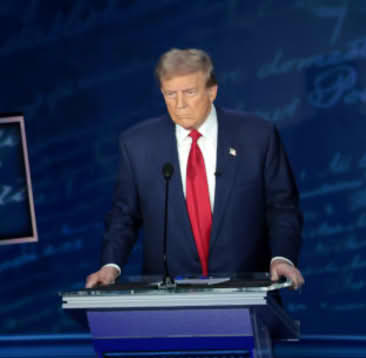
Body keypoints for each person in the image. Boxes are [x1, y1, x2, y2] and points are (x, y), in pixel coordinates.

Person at [85, 48, 304, 288]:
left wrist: (282, 257)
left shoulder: (257, 136)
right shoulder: (137, 145)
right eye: (170, 94)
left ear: (212, 91)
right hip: (168, 301)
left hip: (246, 291)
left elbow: (282, 207)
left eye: (189, 92)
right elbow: (123, 216)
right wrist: (110, 265)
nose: (180, 105)